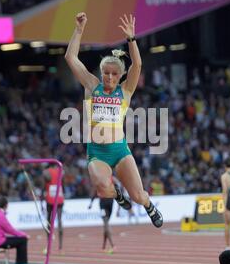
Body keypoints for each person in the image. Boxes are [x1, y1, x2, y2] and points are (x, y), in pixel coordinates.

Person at [64, 12, 163, 228]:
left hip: (120, 150)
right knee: (102, 186)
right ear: (100, 73)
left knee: (138, 196)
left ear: (119, 76)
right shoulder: (91, 86)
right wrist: (79, 30)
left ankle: (148, 205)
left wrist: (131, 40)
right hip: (97, 152)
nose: (109, 77)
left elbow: (136, 66)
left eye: (113, 74)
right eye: (106, 73)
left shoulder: (125, 91)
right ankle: (117, 193)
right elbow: (70, 58)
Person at [0, 197, 33, 264]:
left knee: (19, 240)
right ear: (5, 205)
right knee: (23, 240)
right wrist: (24, 234)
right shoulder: (0, 216)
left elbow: (6, 230)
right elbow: (10, 230)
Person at [88, 178, 118, 254]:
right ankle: (109, 245)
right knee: (106, 223)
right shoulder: (111, 178)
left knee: (106, 224)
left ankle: (108, 246)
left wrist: (91, 202)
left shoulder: (100, 179)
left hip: (105, 203)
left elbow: (95, 191)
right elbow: (117, 189)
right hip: (108, 203)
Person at [41, 164, 64, 253]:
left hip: (50, 197)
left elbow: (44, 186)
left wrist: (41, 201)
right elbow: (63, 184)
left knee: (49, 221)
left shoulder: (46, 172)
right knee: (60, 220)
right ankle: (60, 247)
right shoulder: (61, 171)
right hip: (59, 196)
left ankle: (48, 245)